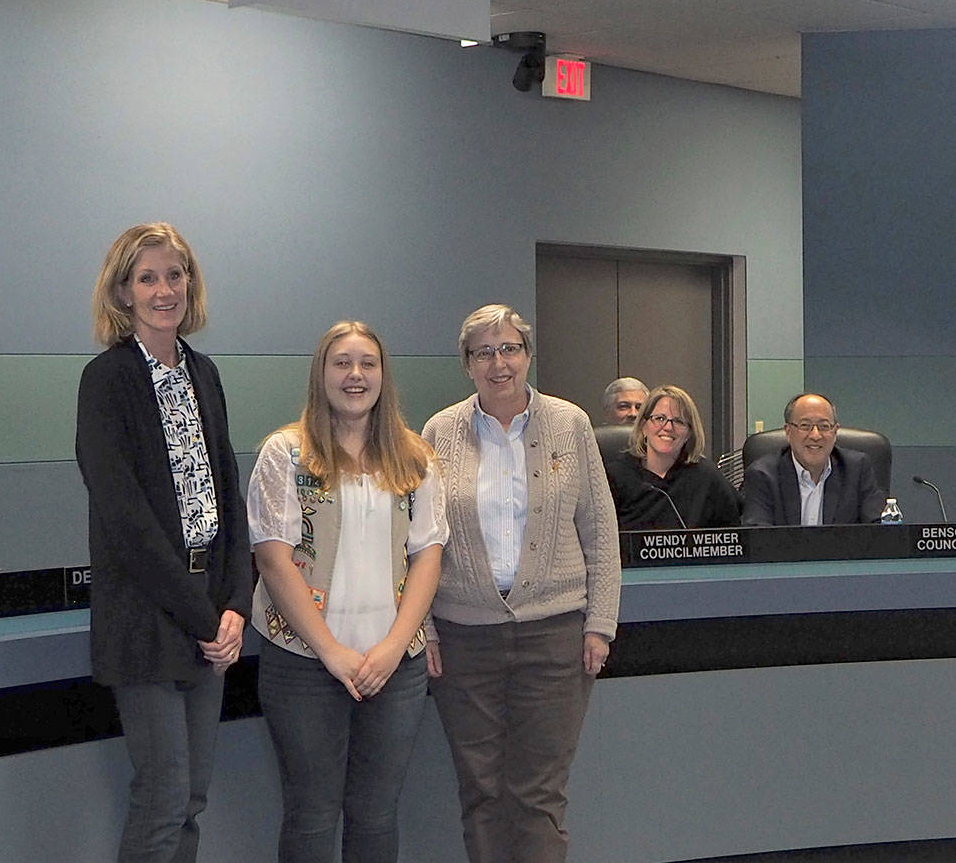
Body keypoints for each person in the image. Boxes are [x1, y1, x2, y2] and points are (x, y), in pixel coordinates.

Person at [75, 222, 252, 863]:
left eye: (174, 275)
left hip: (208, 612)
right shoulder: (107, 381)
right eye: (147, 277)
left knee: (192, 803)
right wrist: (207, 617)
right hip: (147, 618)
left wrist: (235, 602)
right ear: (122, 292)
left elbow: (227, 497)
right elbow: (126, 523)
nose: (164, 289)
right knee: (162, 801)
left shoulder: (204, 374)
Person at [421, 303, 621, 863]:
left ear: (528, 356)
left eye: (509, 348)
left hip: (554, 636)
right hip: (464, 639)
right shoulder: (440, 431)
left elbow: (601, 531)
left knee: (538, 795)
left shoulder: (570, 423)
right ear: (467, 365)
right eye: (484, 352)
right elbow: (418, 542)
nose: (498, 362)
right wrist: (427, 630)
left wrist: (600, 623)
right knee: (481, 792)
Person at [247, 320, 446, 863]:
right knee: (312, 816)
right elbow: (272, 557)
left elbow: (428, 553)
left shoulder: (415, 457)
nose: (355, 375)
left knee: (377, 814)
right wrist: (331, 652)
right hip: (304, 663)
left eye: (367, 364)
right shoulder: (284, 453)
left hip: (393, 667)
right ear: (322, 374)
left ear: (383, 375)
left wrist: (391, 647)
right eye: (342, 363)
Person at [604, 384, 740, 530]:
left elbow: (736, 534)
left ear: (689, 433)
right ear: (644, 426)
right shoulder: (615, 476)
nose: (668, 427)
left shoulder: (707, 476)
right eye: (660, 418)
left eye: (678, 421)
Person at [741, 392, 885, 526]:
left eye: (824, 426)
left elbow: (877, 531)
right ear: (788, 432)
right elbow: (758, 540)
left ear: (835, 432)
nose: (815, 435)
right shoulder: (762, 475)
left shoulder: (857, 470)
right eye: (805, 426)